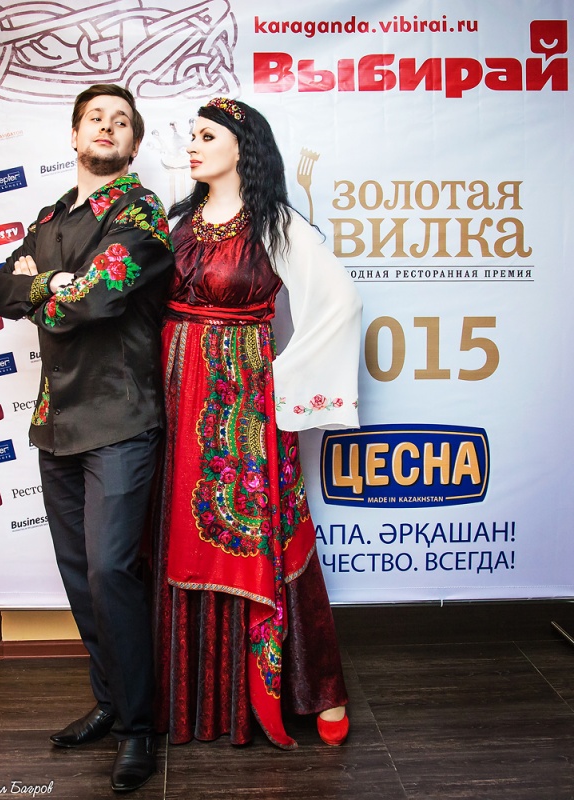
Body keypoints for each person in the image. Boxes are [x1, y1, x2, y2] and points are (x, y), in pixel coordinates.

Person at [150, 97, 362, 750]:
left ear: (243, 146)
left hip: (241, 401)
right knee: (173, 529)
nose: (192, 145)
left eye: (206, 136)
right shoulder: (175, 223)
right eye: (190, 135)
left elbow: (340, 302)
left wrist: (286, 381)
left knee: (262, 532)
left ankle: (314, 686)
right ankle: (182, 696)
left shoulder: (277, 225)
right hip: (171, 396)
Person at [0, 84, 174, 792]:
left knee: (109, 571)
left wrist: (46, 285)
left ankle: (138, 727)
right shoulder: (47, 217)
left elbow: (96, 297)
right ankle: (110, 702)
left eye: (121, 121)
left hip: (121, 418)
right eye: (96, 117)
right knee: (78, 575)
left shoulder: (142, 212)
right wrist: (51, 284)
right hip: (56, 422)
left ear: (133, 145)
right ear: (74, 135)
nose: (107, 126)